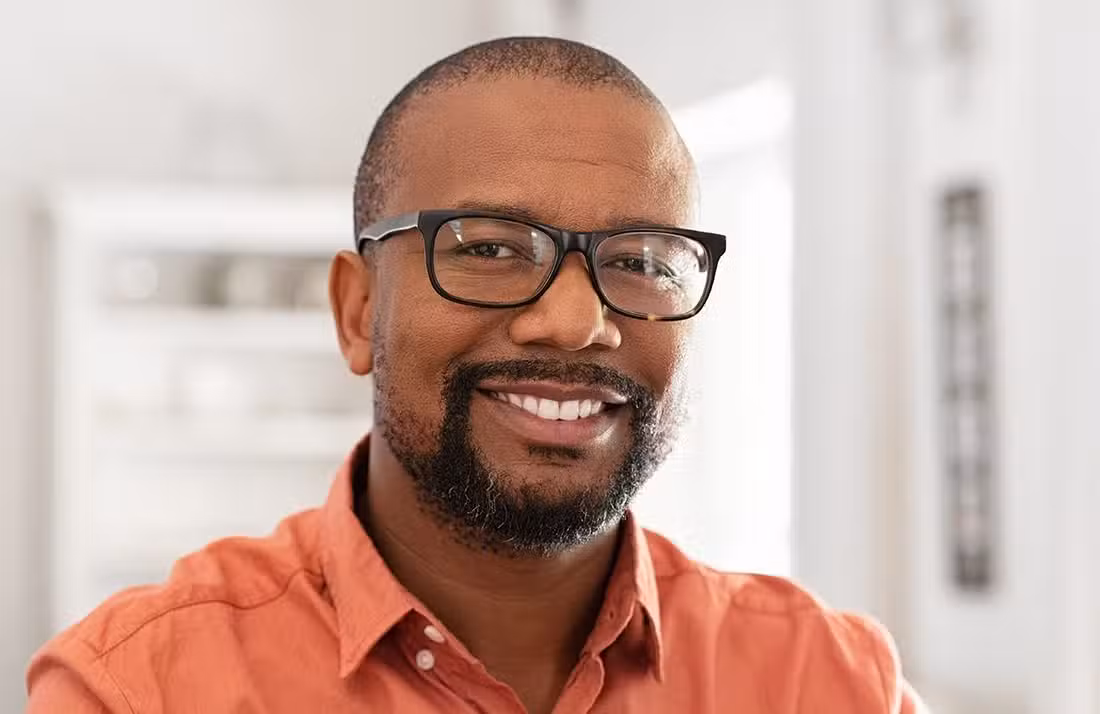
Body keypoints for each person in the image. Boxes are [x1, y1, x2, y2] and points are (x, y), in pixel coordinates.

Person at [27, 37, 924, 713]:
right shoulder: (141, 689)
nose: (577, 321)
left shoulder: (824, 683)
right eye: (491, 248)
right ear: (356, 313)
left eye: (643, 261)